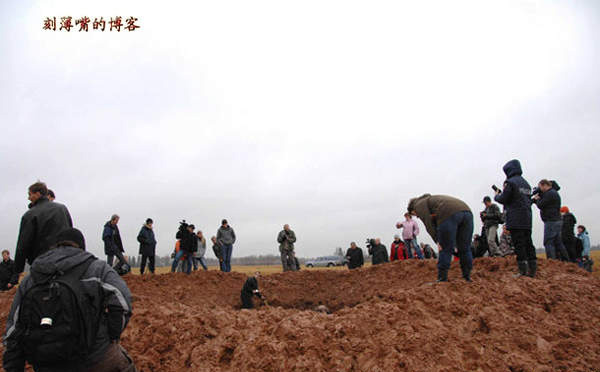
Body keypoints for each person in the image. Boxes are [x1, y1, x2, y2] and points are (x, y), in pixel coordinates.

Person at [3, 228, 135, 372]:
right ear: (81, 247)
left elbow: (14, 326)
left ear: (55, 246)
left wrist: (14, 365)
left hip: (46, 362)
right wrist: (112, 336)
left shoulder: (32, 276)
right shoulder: (96, 268)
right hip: (93, 356)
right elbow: (123, 302)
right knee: (124, 365)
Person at [407, 194, 473, 282]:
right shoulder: (432, 201)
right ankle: (467, 276)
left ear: (413, 209)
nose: (418, 217)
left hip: (448, 213)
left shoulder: (419, 204)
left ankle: (442, 278)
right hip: (467, 212)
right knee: (465, 248)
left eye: (414, 215)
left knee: (444, 247)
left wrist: (437, 240)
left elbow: (428, 224)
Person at [14, 181, 73, 274]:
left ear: (37, 194)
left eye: (30, 194)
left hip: (42, 264)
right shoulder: (62, 209)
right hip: (65, 261)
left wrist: (17, 272)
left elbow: (22, 246)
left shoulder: (30, 215)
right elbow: (71, 232)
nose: (28, 198)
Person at [494, 159, 537, 277]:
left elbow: (504, 198)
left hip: (515, 218)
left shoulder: (510, 182)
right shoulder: (526, 183)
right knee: (529, 242)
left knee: (519, 244)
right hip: (527, 217)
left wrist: (497, 196)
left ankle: (522, 271)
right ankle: (532, 269)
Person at [532, 179, 569, 262]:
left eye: (540, 187)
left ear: (545, 185)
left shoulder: (550, 194)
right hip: (556, 220)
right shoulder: (553, 193)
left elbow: (541, 205)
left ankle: (551, 262)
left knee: (548, 242)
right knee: (558, 242)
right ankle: (567, 261)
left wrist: (537, 199)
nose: (540, 189)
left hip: (551, 221)